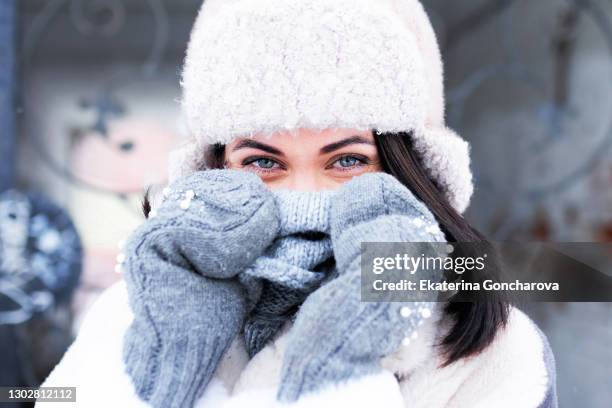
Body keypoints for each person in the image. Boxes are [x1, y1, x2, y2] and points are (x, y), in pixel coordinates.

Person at [38, 0, 557, 407]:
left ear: (408, 171)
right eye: (264, 162)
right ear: (214, 171)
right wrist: (161, 367)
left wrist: (350, 351)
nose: (304, 196)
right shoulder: (133, 314)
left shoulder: (487, 350)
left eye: (348, 161)